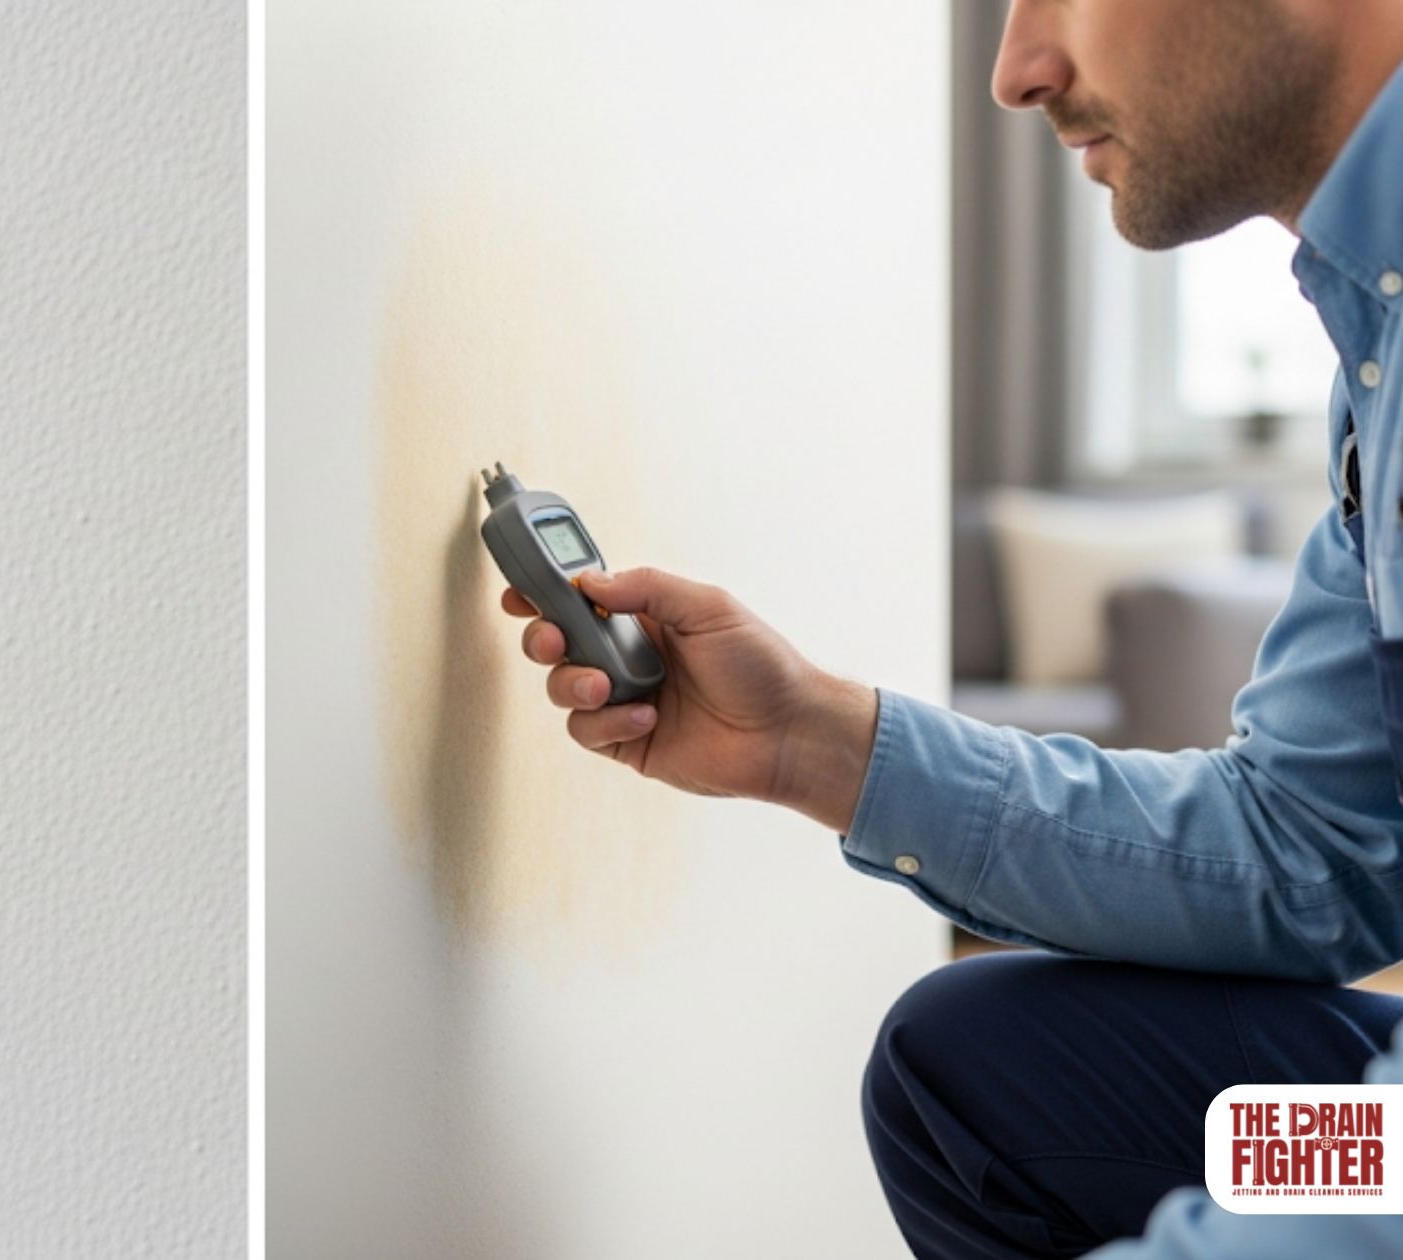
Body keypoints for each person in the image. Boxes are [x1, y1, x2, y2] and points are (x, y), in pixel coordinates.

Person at [505, 1, 1403, 1255]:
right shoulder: (1377, 352)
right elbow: (1311, 853)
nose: (1014, 72)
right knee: (977, 1068)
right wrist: (813, 745)